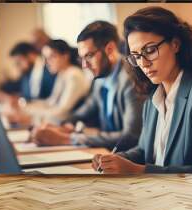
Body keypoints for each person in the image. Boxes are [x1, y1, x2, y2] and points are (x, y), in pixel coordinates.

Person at [92, 7, 192, 174]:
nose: (144, 63)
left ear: (175, 44)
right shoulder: (152, 99)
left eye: (150, 50)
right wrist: (113, 159)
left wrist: (138, 170)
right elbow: (143, 151)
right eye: (136, 55)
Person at [33, 21, 145, 151]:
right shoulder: (100, 77)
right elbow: (86, 109)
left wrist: (69, 139)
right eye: (82, 58)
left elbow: (131, 137)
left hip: (127, 160)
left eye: (89, 56)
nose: (84, 66)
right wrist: (64, 125)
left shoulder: (131, 79)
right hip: (106, 154)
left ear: (110, 49)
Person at [26, 39, 91, 123]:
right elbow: (51, 102)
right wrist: (27, 107)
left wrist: (32, 117)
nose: (47, 62)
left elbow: (63, 111)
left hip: (73, 125)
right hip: (62, 122)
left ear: (65, 56)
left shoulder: (74, 75)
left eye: (51, 57)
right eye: (45, 58)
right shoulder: (62, 73)